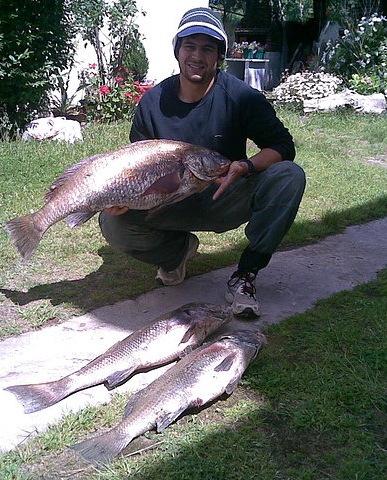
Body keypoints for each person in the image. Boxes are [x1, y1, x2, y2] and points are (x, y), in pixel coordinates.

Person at [99, 7, 305, 319]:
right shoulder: (152, 102)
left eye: (208, 48)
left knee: (289, 176)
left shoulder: (242, 97)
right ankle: (175, 254)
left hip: (225, 194)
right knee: (111, 222)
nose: (198, 56)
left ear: (220, 56)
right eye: (190, 46)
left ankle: (246, 275)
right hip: (169, 201)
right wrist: (124, 199)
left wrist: (245, 167)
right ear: (177, 50)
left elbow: (282, 146)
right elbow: (137, 166)